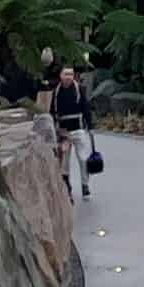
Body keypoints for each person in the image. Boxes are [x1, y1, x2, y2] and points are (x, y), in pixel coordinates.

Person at [51, 64, 93, 200]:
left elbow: (86, 108)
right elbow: (52, 111)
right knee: (65, 162)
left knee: (83, 159)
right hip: (63, 132)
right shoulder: (56, 92)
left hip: (78, 129)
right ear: (60, 76)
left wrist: (90, 126)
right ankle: (67, 186)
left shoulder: (79, 89)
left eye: (70, 74)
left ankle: (85, 185)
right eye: (66, 74)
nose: (68, 77)